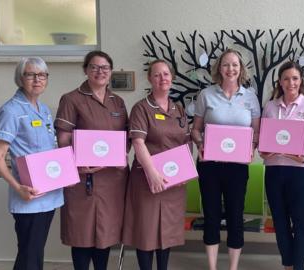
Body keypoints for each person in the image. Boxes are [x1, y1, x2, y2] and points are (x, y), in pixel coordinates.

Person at [54, 51, 129, 270]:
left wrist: (120, 155)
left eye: (105, 67)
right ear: (86, 70)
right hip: (82, 178)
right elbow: (63, 137)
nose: (100, 72)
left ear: (111, 71)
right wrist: (76, 163)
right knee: (81, 233)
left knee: (104, 234)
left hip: (111, 180)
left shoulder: (118, 102)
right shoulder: (71, 99)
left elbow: (126, 137)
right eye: (94, 67)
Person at [191, 49, 261, 270]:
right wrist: (200, 144)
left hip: (237, 168)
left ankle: (232, 267)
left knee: (235, 216)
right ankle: (212, 267)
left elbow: (256, 133)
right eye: (226, 65)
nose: (230, 69)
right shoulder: (206, 95)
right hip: (209, 166)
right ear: (218, 68)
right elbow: (195, 129)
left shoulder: (250, 97)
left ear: (241, 69)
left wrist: (251, 149)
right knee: (211, 216)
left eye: (235, 65)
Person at [0, 57, 63, 270]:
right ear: (20, 78)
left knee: (33, 252)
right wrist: (18, 188)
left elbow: (48, 151)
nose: (37, 79)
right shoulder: (11, 111)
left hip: (48, 195)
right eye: (30, 74)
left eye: (42, 75)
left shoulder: (43, 110)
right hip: (28, 196)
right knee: (29, 256)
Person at [122, 59, 190, 270]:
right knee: (147, 231)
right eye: (157, 74)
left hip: (173, 182)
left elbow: (186, 143)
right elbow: (138, 142)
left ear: (172, 78)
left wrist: (185, 173)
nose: (163, 78)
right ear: (150, 78)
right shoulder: (141, 108)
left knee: (167, 231)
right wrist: (152, 173)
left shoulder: (178, 109)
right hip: (147, 181)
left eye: (166, 74)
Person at [259, 61, 304, 270]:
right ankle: (288, 265)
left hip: (302, 173)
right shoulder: (270, 107)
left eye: (295, 78)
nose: (291, 83)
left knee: (300, 223)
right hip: (274, 171)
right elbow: (263, 142)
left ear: (301, 81)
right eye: (286, 78)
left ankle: (299, 267)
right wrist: (264, 151)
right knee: (280, 223)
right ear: (280, 81)